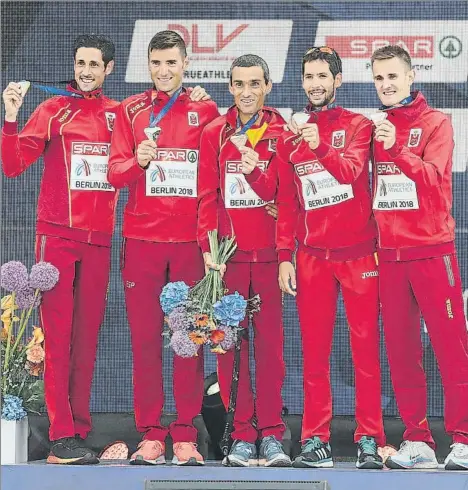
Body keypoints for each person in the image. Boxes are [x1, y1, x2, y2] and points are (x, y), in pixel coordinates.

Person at [1, 34, 118, 464]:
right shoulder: (52, 109)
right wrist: (11, 117)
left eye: (94, 64)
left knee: (87, 341)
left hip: (100, 242)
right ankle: (60, 433)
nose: (86, 70)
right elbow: (13, 166)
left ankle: (78, 431)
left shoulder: (117, 115)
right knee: (59, 338)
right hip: (58, 238)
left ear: (109, 69)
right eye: (80, 62)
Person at [107, 30, 218, 466]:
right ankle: (152, 433)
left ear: (185, 63)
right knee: (145, 342)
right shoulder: (129, 110)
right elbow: (115, 173)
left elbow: (213, 179)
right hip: (142, 243)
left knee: (189, 340)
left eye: (172, 63)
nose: (164, 71)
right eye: (156, 63)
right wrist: (139, 161)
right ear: (148, 65)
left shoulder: (206, 109)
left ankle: (186, 433)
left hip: (189, 244)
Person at [276, 46, 385, 469]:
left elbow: (351, 172)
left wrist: (320, 145)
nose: (316, 84)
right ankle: (314, 438)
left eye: (324, 76)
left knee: (364, 350)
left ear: (338, 80)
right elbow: (288, 202)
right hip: (312, 259)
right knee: (315, 352)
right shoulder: (290, 135)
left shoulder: (358, 125)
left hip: (359, 255)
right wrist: (286, 255)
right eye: (309, 77)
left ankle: (370, 438)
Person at [370, 44, 468, 471]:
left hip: (431, 252)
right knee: (402, 352)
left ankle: (463, 439)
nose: (386, 85)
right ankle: (418, 440)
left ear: (411, 77)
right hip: (390, 258)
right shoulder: (374, 127)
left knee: (451, 349)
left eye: (393, 76)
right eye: (379, 78)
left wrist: (398, 150)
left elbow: (433, 180)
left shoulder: (436, 123)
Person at [198, 54, 290, 468]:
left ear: (268, 86)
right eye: (239, 84)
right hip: (228, 260)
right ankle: (239, 433)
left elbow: (291, 195)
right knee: (228, 349)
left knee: (270, 350)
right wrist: (208, 250)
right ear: (229, 88)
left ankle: (271, 433)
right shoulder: (215, 132)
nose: (247, 92)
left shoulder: (282, 132)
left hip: (270, 259)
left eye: (255, 83)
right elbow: (206, 197)